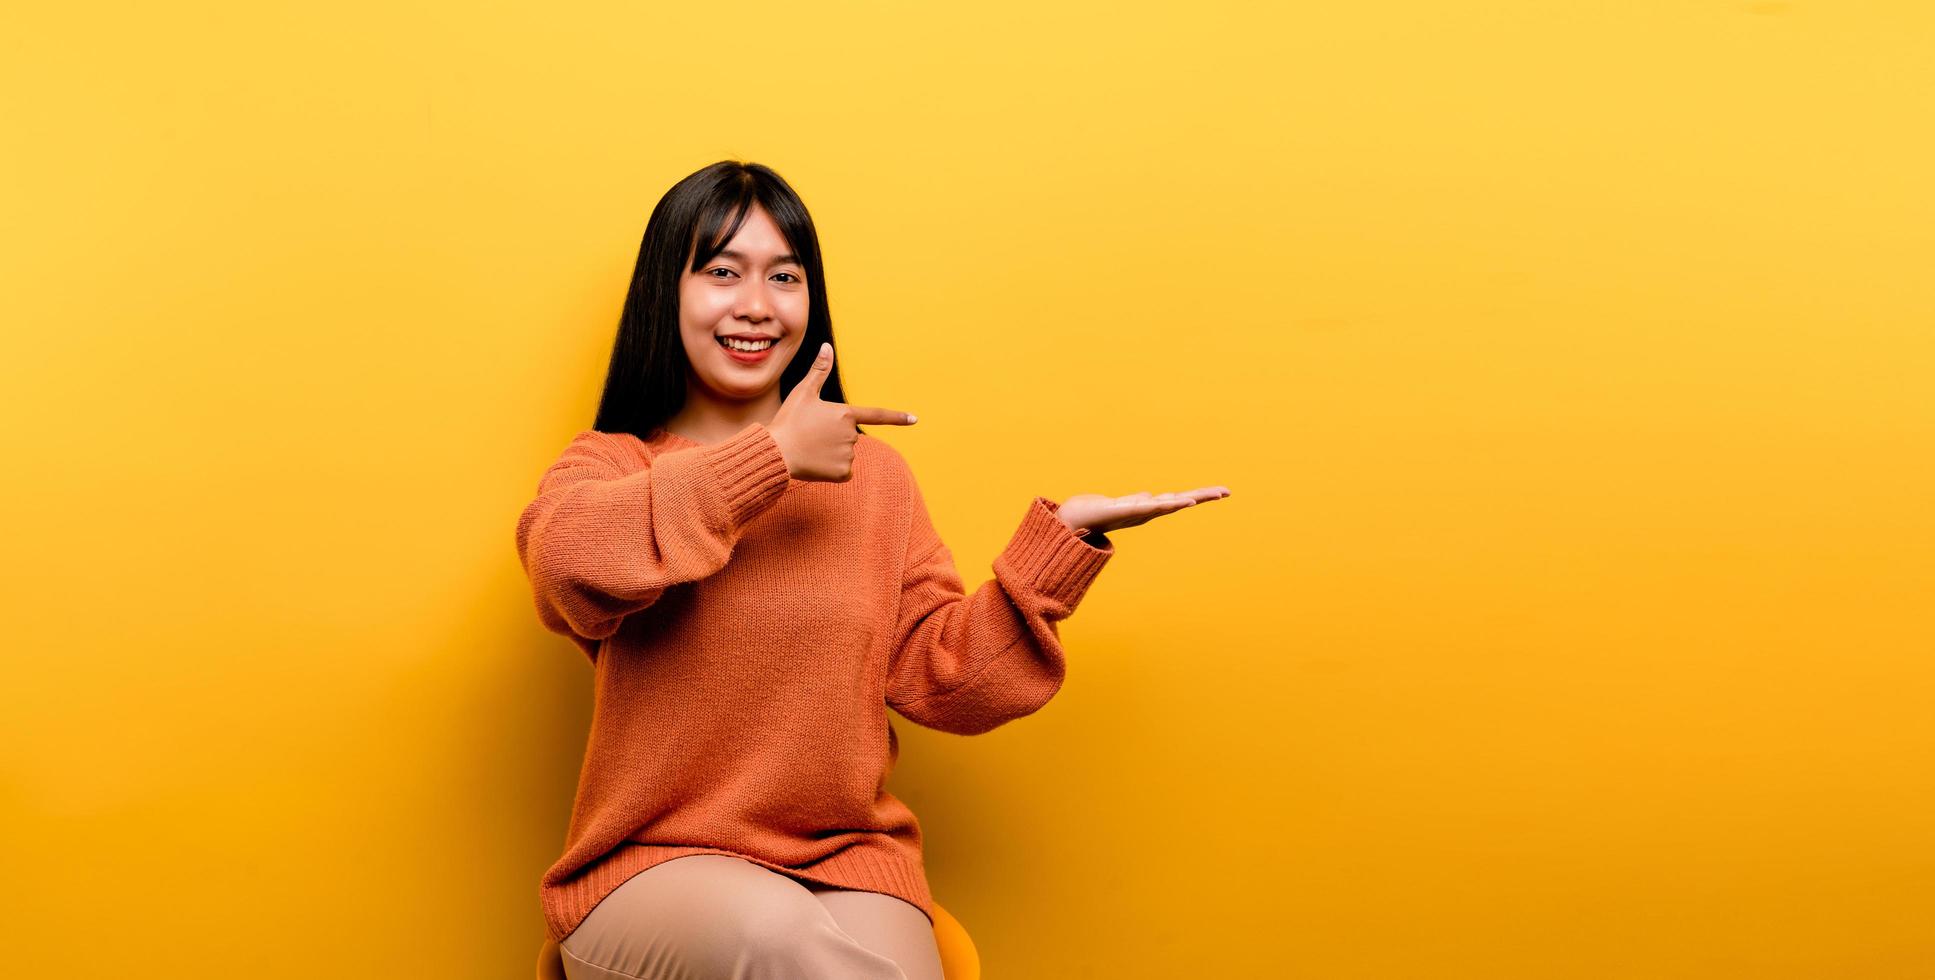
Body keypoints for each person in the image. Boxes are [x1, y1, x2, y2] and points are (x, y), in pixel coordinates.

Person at [515, 160, 1231, 979]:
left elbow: (944, 679)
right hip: (649, 864)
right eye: (721, 272)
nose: (755, 304)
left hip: (844, 859)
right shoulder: (611, 464)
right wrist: (773, 458)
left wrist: (1052, 556)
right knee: (776, 938)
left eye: (784, 277)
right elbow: (567, 566)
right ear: (664, 294)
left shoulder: (877, 481)